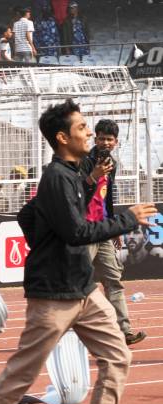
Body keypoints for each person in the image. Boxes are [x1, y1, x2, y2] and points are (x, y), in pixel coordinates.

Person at [0, 100, 158, 404]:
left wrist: (46, 237)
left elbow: (27, 215)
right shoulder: (56, 177)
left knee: (118, 357)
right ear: (62, 137)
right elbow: (77, 232)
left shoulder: (76, 172)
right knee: (22, 375)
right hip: (54, 295)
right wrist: (126, 219)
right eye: (82, 128)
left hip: (84, 289)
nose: (89, 133)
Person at [80, 119, 145, 346]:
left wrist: (115, 227)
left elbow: (107, 197)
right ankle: (65, 331)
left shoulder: (113, 163)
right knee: (77, 282)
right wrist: (94, 175)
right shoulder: (84, 161)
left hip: (104, 229)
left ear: (116, 142)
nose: (105, 142)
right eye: (101, 138)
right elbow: (78, 193)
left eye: (109, 139)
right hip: (84, 231)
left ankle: (124, 330)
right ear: (95, 139)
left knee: (113, 280)